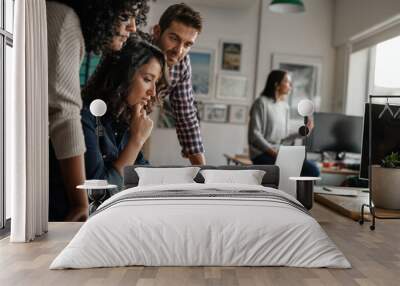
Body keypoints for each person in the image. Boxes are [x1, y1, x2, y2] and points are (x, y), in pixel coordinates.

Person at [47, 0, 150, 221]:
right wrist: (80, 204)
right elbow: (64, 114)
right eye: (125, 16)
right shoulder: (66, 21)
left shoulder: (126, 123)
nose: (132, 27)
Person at [81, 39, 168, 189]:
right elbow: (99, 195)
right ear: (123, 74)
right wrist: (137, 141)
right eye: (147, 79)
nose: (153, 92)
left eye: (156, 83)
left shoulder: (124, 121)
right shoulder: (86, 118)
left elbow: (146, 180)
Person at [151, 3, 206, 165]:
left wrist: (204, 172)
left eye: (188, 44)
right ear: (157, 32)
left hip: (134, 130)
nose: (179, 50)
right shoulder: (135, 49)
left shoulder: (182, 63)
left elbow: (187, 116)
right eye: (174, 38)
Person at [248, 70, 320, 177]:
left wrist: (303, 132)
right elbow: (255, 136)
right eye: (287, 81)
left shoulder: (284, 106)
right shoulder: (261, 103)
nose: (290, 85)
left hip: (279, 152)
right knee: (310, 171)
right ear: (276, 84)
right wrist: (275, 153)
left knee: (313, 168)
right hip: (262, 154)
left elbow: (284, 137)